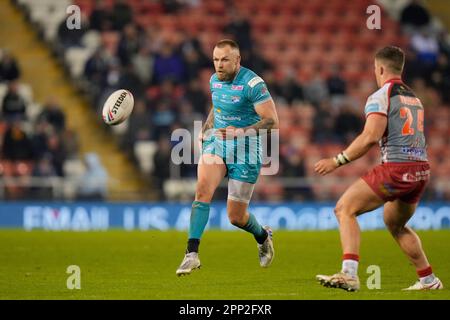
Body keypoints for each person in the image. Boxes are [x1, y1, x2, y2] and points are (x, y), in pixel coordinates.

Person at [314, 46, 443, 291]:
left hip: (396, 168)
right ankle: (428, 279)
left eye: (375, 69)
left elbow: (370, 136)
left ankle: (349, 274)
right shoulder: (413, 97)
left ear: (380, 68)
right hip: (420, 170)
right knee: (395, 223)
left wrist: (337, 160)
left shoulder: (380, 95)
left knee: (344, 209)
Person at [176, 39, 279, 276]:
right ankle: (191, 254)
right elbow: (218, 105)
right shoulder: (214, 80)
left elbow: (273, 121)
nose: (219, 65)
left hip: (246, 148)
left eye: (224, 60)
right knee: (202, 189)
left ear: (237, 60)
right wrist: (206, 127)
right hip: (218, 142)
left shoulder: (254, 84)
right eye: (215, 60)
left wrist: (241, 132)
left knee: (235, 217)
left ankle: (262, 236)